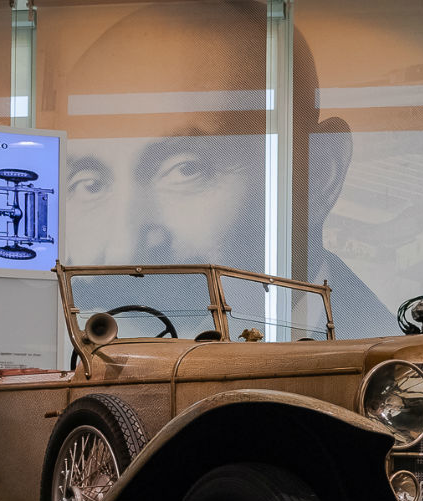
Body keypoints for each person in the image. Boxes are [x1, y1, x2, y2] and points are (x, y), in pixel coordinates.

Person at [56, 0, 397, 338]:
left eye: (186, 169)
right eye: (89, 185)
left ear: (320, 173)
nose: (123, 249)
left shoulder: (387, 355)